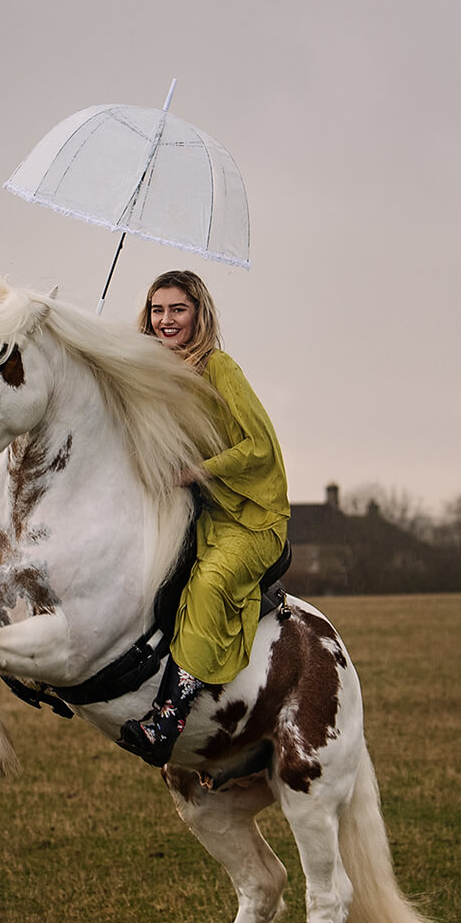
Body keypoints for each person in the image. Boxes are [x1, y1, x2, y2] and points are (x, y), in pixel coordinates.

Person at [117, 270, 290, 766]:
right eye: (157, 310)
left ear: (199, 314)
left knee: (209, 584)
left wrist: (198, 471)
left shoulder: (220, 368)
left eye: (178, 310)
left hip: (252, 518)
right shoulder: (158, 375)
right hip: (201, 513)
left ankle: (167, 721)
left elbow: (260, 446)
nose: (166, 320)